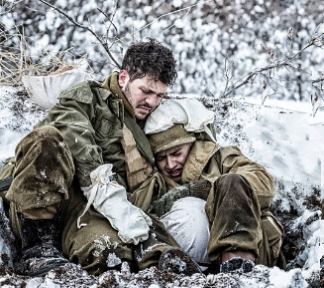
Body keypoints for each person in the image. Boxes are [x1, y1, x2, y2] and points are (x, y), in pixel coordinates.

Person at [0, 39, 202, 277]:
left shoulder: (148, 124)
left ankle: (160, 263)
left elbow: (146, 188)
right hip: (50, 198)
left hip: (87, 214)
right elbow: (72, 131)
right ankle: (36, 250)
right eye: (146, 91)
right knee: (47, 138)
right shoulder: (88, 96)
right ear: (124, 77)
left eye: (159, 95)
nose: (153, 102)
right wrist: (106, 192)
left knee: (110, 252)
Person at [144, 98, 285, 273]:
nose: (170, 164)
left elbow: (262, 183)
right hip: (185, 261)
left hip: (254, 253)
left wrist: (207, 189)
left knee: (231, 182)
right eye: (161, 158)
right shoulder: (154, 180)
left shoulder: (221, 158)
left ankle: (236, 268)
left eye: (176, 153)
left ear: (191, 143)